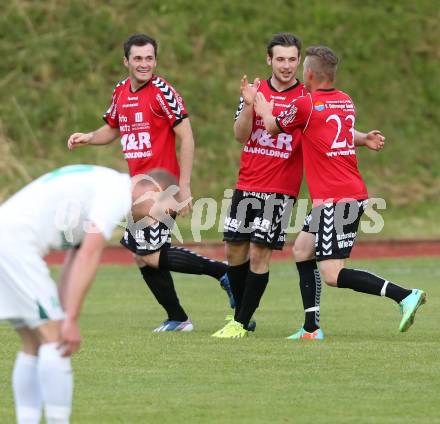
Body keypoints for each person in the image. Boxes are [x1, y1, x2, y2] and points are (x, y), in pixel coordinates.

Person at [213, 34, 384, 339]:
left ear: (301, 64)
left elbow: (328, 126)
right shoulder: (257, 91)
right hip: (247, 181)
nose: (286, 65)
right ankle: (241, 312)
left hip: (280, 188)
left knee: (258, 255)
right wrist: (252, 105)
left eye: (292, 59)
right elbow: (240, 135)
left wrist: (361, 138)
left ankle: (239, 322)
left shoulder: (305, 97)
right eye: (280, 59)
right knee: (234, 251)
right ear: (269, 60)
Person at [254, 45, 426, 338]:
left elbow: (271, 127)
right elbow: (331, 133)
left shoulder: (306, 105)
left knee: (333, 274)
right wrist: (364, 139)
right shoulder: (345, 101)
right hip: (333, 198)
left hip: (339, 199)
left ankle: (404, 295)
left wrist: (260, 105)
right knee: (302, 251)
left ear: (308, 73)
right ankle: (311, 328)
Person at [67, 34, 234, 332]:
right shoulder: (121, 91)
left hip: (162, 184)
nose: (144, 64)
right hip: (139, 188)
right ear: (126, 61)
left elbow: (187, 137)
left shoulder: (162, 92)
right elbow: (111, 128)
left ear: (155, 60)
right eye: (138, 58)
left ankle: (222, 273)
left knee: (148, 253)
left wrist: (184, 187)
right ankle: (178, 318)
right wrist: (89, 137)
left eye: (149, 58)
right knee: (143, 256)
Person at [0, 164, 177, 424]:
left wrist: (63, 311)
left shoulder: (102, 184)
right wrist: (69, 320)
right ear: (153, 191)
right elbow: (89, 254)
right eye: (167, 211)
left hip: (8, 239)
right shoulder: (115, 193)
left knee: (32, 344)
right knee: (56, 342)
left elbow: (74, 254)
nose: (162, 221)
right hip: (16, 246)